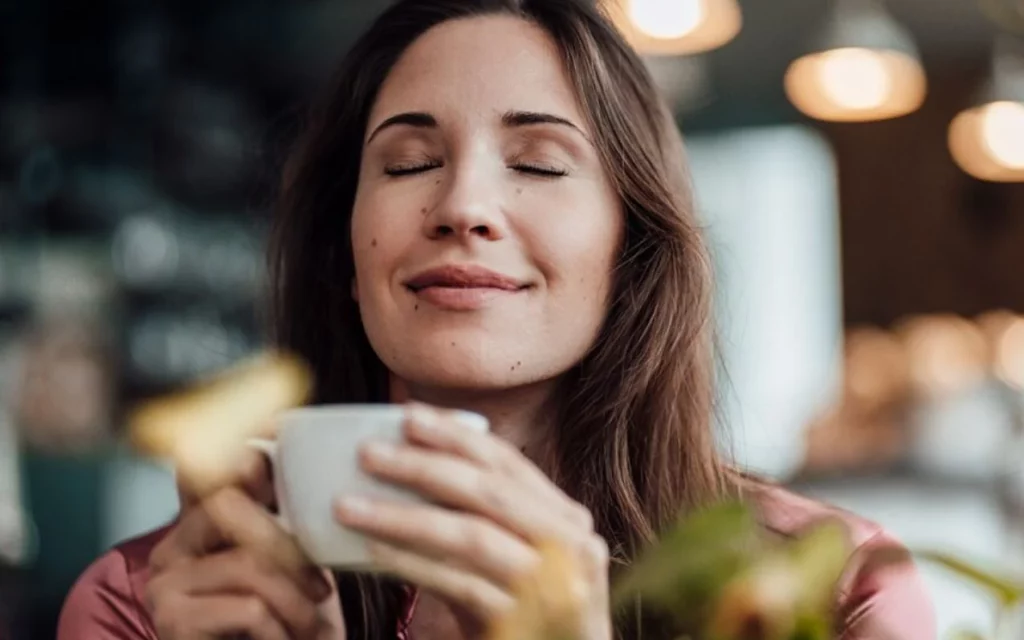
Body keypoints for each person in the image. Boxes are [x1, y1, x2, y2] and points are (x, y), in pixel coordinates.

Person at [57, 0, 935, 638]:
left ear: (630, 257)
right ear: (347, 261)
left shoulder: (836, 587)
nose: (464, 205)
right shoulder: (144, 606)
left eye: (540, 164)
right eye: (407, 163)